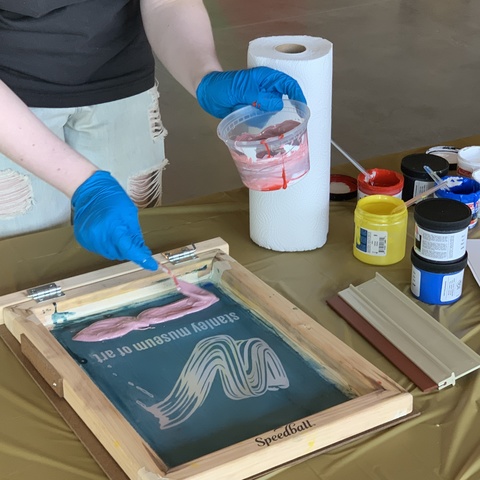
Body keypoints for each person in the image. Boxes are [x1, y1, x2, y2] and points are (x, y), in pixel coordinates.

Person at [0, 0, 306, 271]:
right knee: (25, 259)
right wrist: (83, 183)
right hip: (11, 99)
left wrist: (203, 75)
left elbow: (166, 3)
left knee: (128, 252)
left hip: (123, 81)